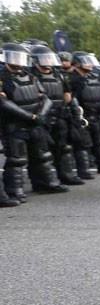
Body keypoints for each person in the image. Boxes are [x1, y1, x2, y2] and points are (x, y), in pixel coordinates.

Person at [0, 42, 69, 200]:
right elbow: (4, 103)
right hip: (14, 124)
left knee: (42, 154)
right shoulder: (2, 78)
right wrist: (30, 117)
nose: (18, 61)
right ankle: (14, 190)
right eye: (14, 57)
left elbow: (45, 97)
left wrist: (41, 115)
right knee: (17, 159)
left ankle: (45, 183)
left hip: (36, 121)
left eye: (21, 57)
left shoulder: (31, 76)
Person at [30, 44, 90, 184]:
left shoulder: (59, 75)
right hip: (41, 117)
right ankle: (43, 182)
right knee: (41, 152)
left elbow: (67, 94)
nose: (47, 62)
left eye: (48, 58)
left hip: (60, 115)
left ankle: (66, 176)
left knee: (64, 147)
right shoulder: (32, 76)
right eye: (44, 59)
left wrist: (71, 111)